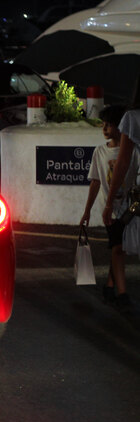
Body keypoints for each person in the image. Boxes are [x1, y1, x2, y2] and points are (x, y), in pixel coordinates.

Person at [80, 105, 139, 308]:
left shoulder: (133, 152)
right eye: (103, 124)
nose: (105, 128)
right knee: (118, 247)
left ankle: (109, 287)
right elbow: (95, 181)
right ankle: (121, 294)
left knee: (119, 247)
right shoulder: (100, 152)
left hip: (129, 207)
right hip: (111, 208)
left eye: (110, 125)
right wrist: (87, 211)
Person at [102, 80, 140, 311]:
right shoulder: (132, 118)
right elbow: (123, 162)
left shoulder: (133, 118)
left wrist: (109, 202)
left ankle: (115, 287)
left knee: (121, 242)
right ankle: (117, 288)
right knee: (120, 242)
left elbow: (123, 162)